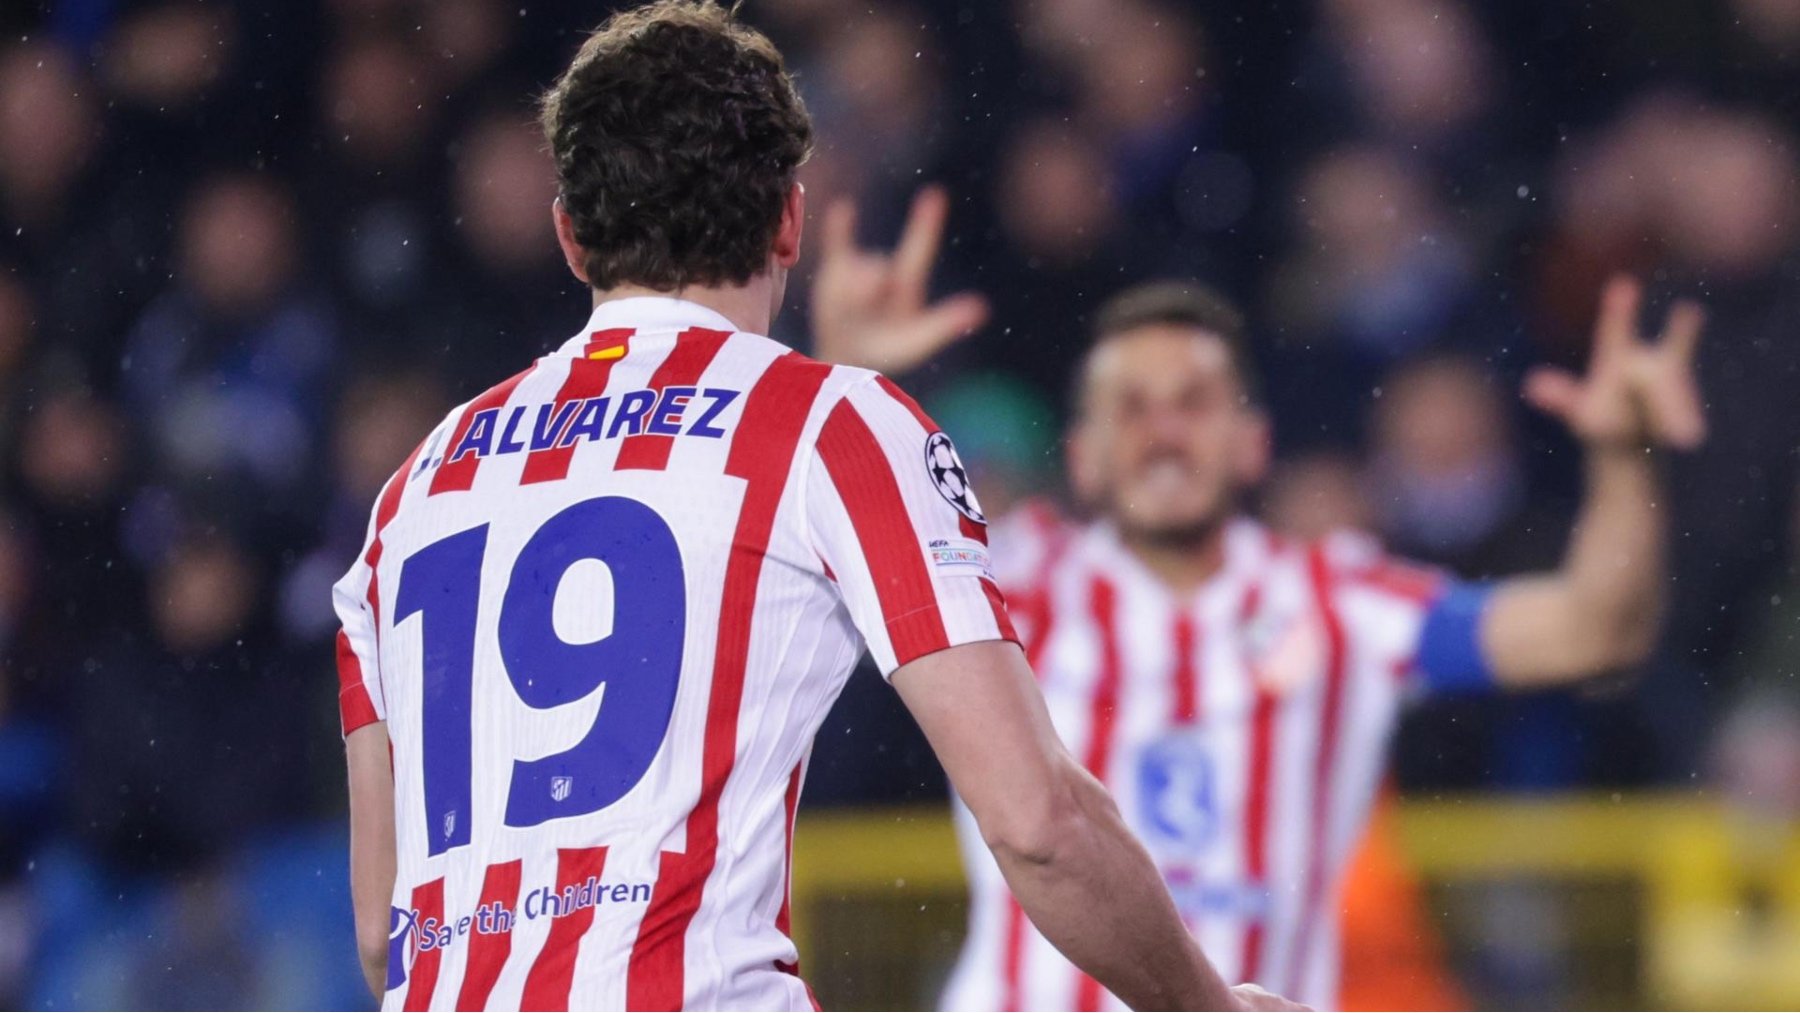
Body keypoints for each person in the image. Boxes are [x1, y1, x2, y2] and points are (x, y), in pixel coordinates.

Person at [334, 3, 1302, 1011]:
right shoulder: (829, 426)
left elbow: (379, 929)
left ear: (571, 238)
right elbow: (1038, 822)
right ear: (790, 220)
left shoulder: (409, 495)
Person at [812, 243, 1704, 1008]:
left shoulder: (1341, 602)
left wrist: (1625, 458)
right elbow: (812, 572)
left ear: (1252, 443)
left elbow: (1596, 629)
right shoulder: (1004, 582)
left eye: (1195, 401)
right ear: (1082, 457)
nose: (1165, 432)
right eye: (1133, 407)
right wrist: (841, 384)